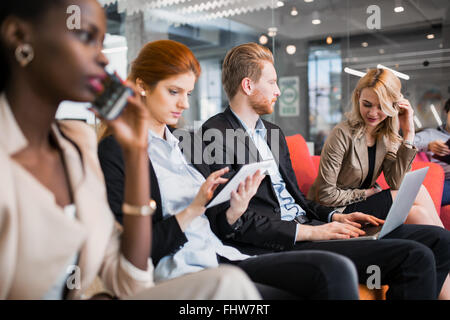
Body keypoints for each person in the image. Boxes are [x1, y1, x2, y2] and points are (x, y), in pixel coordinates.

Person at [0, 0, 261, 300]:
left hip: (203, 262)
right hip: (179, 267)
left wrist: (137, 151)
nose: (102, 61)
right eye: (86, 38)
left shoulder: (77, 144)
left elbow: (129, 283)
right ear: (20, 37)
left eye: (101, 44)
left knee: (228, 285)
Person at [98, 39, 360, 300]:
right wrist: (193, 209)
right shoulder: (119, 152)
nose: (185, 105)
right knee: (325, 276)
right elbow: (138, 250)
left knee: (332, 270)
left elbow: (218, 222)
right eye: (173, 92)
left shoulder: (185, 142)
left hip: (224, 256)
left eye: (188, 94)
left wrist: (235, 209)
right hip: (183, 272)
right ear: (143, 86)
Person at [200, 42, 450, 299]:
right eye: (272, 82)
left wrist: (334, 218)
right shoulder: (216, 135)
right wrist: (312, 232)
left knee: (439, 239)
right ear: (248, 86)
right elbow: (231, 220)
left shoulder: (273, 133)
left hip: (314, 225)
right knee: (414, 256)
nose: (278, 90)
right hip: (285, 242)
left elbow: (299, 199)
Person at [308, 68, 445, 229]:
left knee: (418, 211)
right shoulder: (341, 134)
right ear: (358, 97)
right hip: (336, 211)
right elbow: (325, 196)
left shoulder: (388, 137)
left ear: (393, 107)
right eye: (367, 104)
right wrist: (365, 194)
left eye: (381, 107)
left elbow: (398, 183)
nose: (373, 113)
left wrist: (409, 133)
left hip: (361, 204)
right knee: (418, 195)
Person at [414, 98, 450, 205]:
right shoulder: (430, 134)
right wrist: (428, 146)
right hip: (445, 180)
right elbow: (405, 143)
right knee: (427, 197)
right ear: (446, 112)